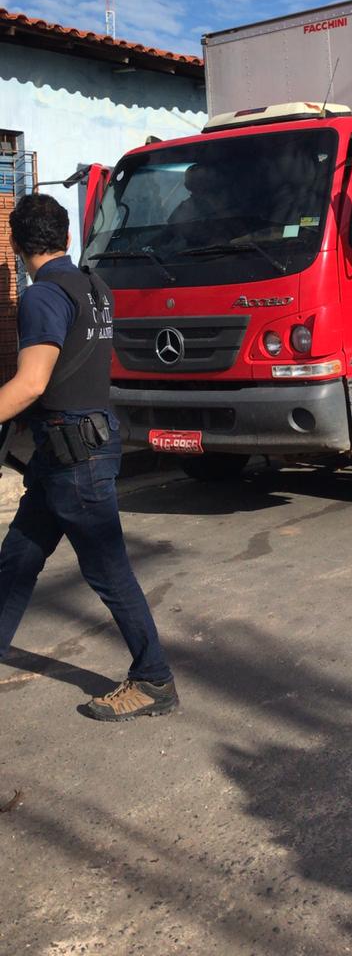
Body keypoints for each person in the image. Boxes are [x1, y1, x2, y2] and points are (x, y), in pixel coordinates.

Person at [0, 193, 178, 721]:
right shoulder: (95, 288)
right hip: (71, 452)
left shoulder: (42, 296)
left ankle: (154, 679)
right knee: (17, 560)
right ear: (67, 238)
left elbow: (31, 383)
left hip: (75, 458)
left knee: (108, 572)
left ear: (14, 243)